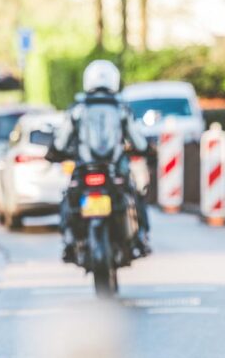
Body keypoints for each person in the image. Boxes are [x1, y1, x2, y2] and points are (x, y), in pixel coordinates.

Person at [47, 59, 151, 262]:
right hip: (114, 170)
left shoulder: (78, 109)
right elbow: (138, 140)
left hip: (85, 170)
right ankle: (142, 237)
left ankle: (68, 242)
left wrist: (54, 153)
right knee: (135, 195)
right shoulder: (121, 108)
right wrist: (148, 150)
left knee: (68, 198)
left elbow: (61, 142)